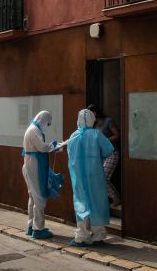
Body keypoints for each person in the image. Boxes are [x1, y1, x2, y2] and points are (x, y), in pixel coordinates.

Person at [67, 108, 114, 247]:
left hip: (78, 175)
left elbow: (70, 155)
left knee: (81, 202)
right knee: (97, 202)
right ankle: (98, 235)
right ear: (92, 120)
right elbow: (108, 150)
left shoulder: (73, 136)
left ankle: (81, 236)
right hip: (95, 174)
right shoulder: (97, 134)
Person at [22, 110, 60, 239]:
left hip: (30, 164)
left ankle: (31, 226)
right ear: (43, 120)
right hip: (34, 165)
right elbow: (42, 147)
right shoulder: (34, 130)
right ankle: (38, 228)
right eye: (48, 124)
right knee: (39, 197)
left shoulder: (32, 129)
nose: (48, 126)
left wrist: (52, 146)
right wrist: (53, 145)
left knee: (33, 197)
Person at [88, 104, 120, 206]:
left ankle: (116, 198)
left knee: (103, 177)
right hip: (100, 155)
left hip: (112, 153)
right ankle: (104, 200)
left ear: (95, 113)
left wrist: (105, 140)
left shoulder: (108, 121)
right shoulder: (94, 125)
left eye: (89, 113)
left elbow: (117, 135)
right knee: (96, 178)